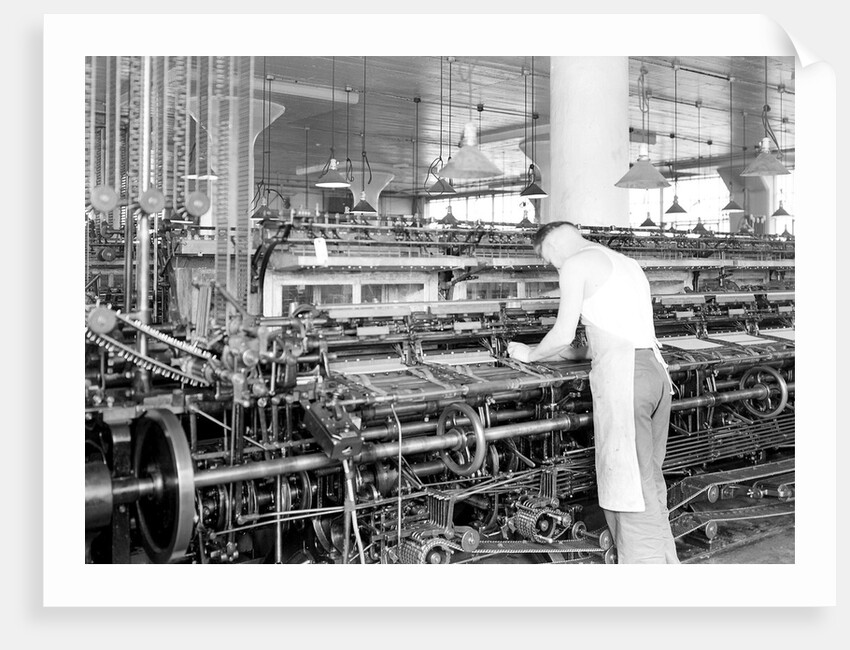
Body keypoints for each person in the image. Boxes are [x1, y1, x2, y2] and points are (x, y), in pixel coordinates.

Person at [507, 221, 679, 564]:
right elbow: (602, 338)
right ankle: (667, 563)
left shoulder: (575, 263)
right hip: (654, 373)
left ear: (552, 247)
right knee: (648, 480)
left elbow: (562, 334)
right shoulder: (625, 263)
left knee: (631, 490)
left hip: (625, 380)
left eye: (547, 260)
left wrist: (526, 353)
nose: (553, 266)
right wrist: (567, 353)